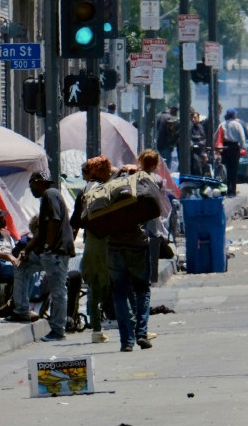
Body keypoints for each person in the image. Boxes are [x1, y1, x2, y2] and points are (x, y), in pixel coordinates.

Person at [105, 150, 164, 353]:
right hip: (138, 244)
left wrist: (121, 171)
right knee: (142, 290)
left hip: (113, 244)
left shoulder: (115, 183)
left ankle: (126, 341)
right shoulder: (149, 181)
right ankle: (141, 333)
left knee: (120, 292)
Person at [10, 172, 75, 342]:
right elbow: (41, 231)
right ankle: (21, 310)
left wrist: (47, 247)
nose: (31, 190)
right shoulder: (50, 196)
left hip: (55, 252)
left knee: (58, 291)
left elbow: (53, 221)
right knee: (21, 267)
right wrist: (27, 249)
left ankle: (58, 330)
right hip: (50, 252)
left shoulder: (49, 194)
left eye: (31, 185)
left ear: (37, 183)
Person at [70, 156, 113, 344]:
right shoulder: (112, 189)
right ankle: (134, 329)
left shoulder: (85, 191)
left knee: (94, 286)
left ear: (92, 172)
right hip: (113, 242)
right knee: (117, 284)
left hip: (94, 243)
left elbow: (75, 222)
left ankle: (96, 328)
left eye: (84, 173)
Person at [217, 108, 246, 197]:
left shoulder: (222, 124)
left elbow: (216, 136)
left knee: (225, 169)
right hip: (234, 148)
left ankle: (225, 189)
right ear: (234, 115)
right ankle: (232, 190)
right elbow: (242, 138)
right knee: (233, 170)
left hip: (224, 148)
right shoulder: (237, 125)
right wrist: (241, 147)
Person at [190, 109, 207, 176]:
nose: (193, 119)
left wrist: (203, 142)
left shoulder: (201, 127)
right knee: (196, 164)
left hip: (201, 149)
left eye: (195, 117)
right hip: (193, 149)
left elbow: (204, 137)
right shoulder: (190, 127)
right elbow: (189, 137)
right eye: (192, 118)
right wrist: (196, 139)